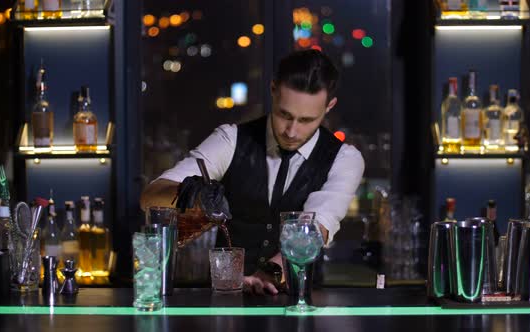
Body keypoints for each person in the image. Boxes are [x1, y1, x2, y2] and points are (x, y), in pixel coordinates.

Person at [140, 49, 364, 295]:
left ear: (329, 106)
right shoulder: (231, 139)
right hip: (226, 298)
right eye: (284, 114)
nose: (291, 131)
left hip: (297, 301)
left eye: (306, 120)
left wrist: (271, 272)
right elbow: (150, 198)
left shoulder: (344, 159)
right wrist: (189, 195)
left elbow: (316, 228)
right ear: (273, 89)